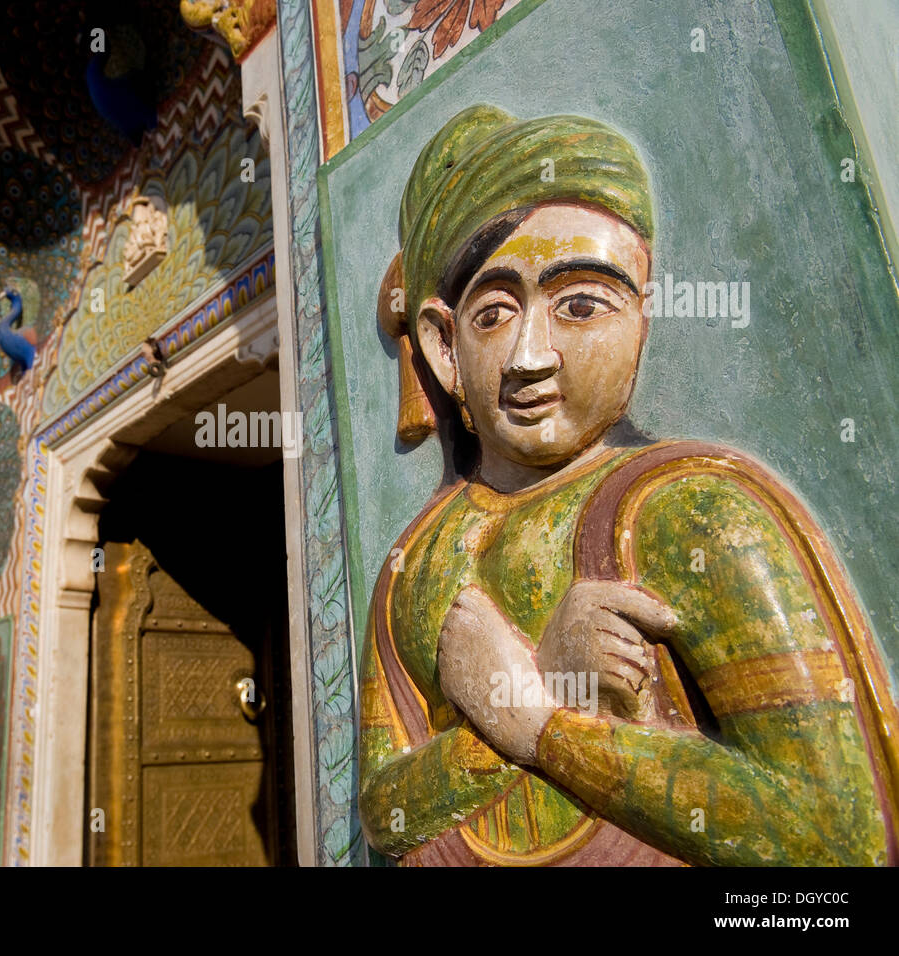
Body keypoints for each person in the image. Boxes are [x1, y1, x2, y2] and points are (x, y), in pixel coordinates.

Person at [358, 105, 899, 866]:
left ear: (643, 317)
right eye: (494, 314)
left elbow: (837, 834)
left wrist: (542, 727)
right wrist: (538, 689)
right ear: (444, 348)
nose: (530, 357)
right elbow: (385, 809)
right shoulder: (414, 563)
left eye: (581, 306)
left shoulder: (689, 511)